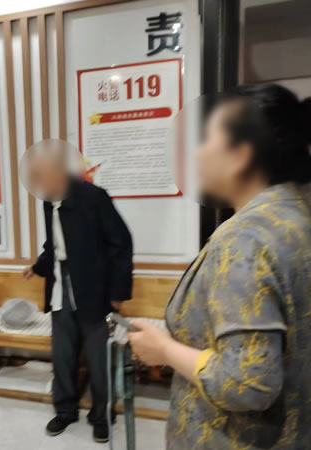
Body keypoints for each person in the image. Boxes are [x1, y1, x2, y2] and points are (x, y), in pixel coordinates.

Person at [127, 84, 311, 449]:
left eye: (203, 140)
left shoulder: (245, 240)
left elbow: (247, 383)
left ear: (240, 154)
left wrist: (164, 350)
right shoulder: (296, 216)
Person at [23, 140, 133, 443]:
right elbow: (55, 245)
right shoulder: (48, 201)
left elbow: (121, 243)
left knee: (99, 359)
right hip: (60, 286)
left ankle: (102, 416)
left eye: (42, 174)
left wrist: (118, 293)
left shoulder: (94, 197)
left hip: (94, 288)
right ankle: (65, 410)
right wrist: (38, 266)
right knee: (62, 355)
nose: (38, 182)